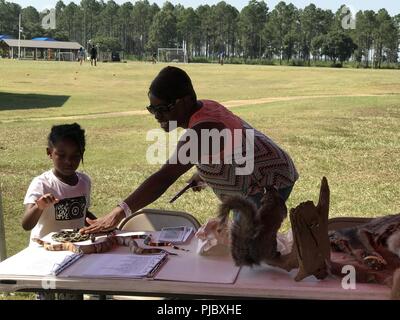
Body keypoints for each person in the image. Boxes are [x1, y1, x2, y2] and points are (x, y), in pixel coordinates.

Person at [80, 66, 298, 234]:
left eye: (162, 109)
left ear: (185, 101)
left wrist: (118, 213)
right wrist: (204, 172)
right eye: (151, 109)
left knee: (247, 246)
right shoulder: (204, 107)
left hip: (269, 182)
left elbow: (164, 177)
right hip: (271, 169)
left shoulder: (199, 133)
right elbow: (229, 145)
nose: (157, 116)